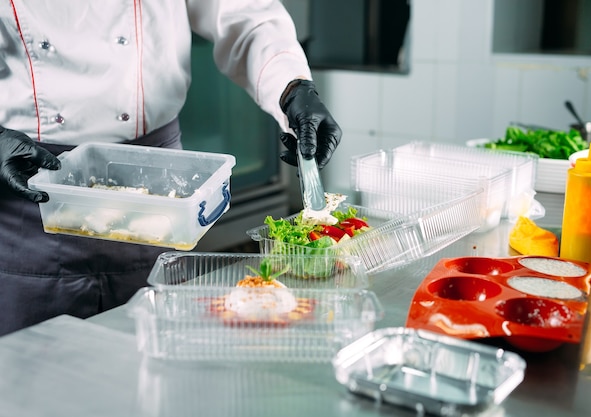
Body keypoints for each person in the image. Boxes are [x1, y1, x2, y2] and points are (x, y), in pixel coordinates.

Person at [0, 1, 341, 336]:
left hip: (161, 194)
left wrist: (292, 87)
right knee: (33, 369)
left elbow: (242, 14)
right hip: (30, 187)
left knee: (159, 361)